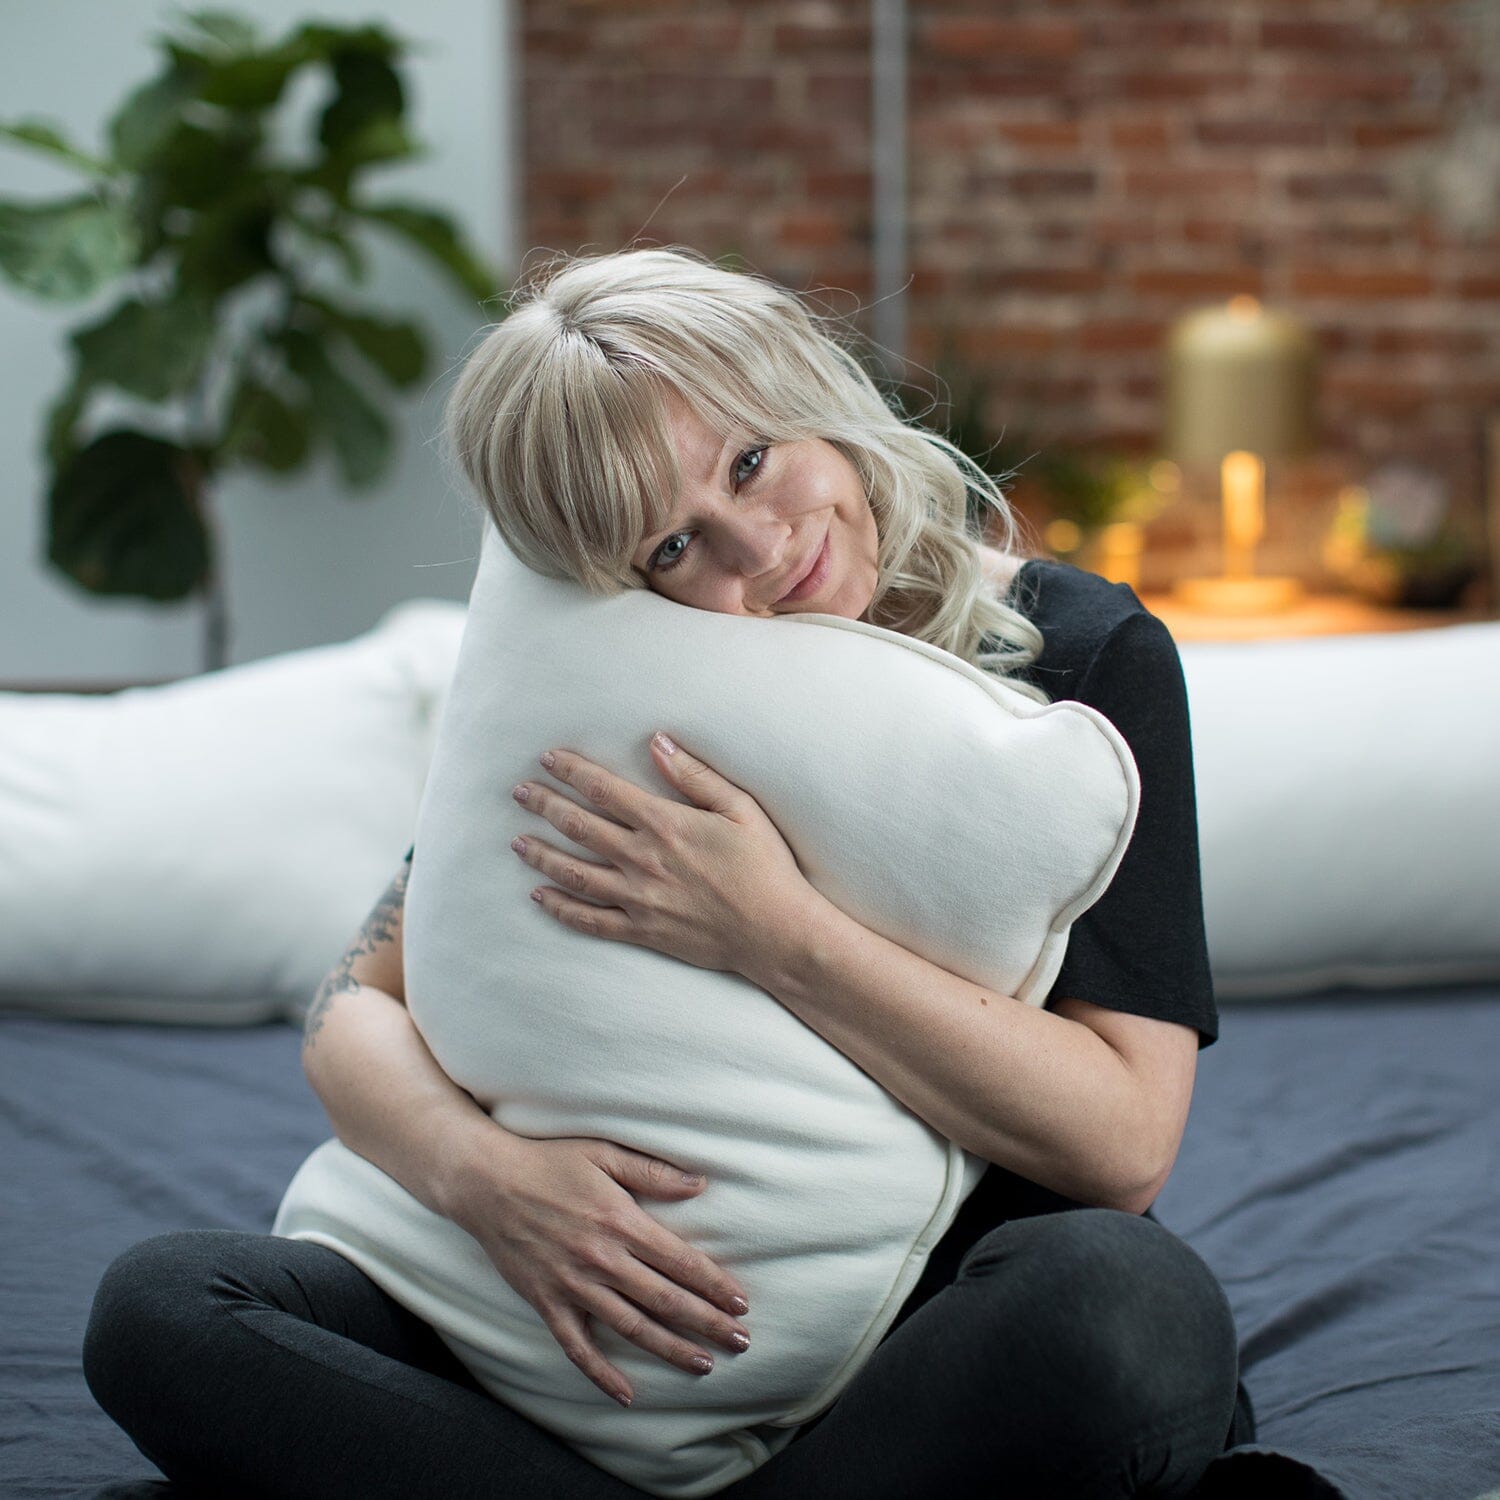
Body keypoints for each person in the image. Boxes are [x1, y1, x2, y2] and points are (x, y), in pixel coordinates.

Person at [82, 245, 1257, 1499]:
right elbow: (351, 1007)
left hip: (924, 1343)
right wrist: (488, 1184)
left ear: (811, 383)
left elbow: (1126, 1144)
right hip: (549, 1328)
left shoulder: (1084, 662)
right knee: (162, 1310)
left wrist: (773, 931)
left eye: (752, 461)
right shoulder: (621, 670)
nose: (755, 551)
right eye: (670, 547)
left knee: (1127, 1314)